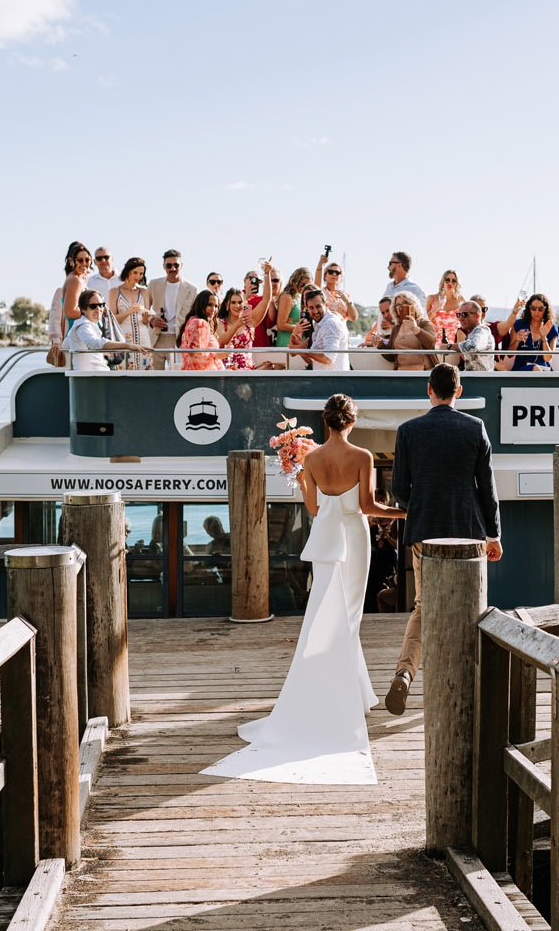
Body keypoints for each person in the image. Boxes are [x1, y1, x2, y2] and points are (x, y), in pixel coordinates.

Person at [201, 394, 405, 784]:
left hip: (327, 539)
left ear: (326, 422)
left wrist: (303, 480)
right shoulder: (362, 456)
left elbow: (313, 509)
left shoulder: (309, 460)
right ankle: (346, 700)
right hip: (354, 539)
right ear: (352, 420)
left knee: (327, 616)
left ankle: (354, 695)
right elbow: (366, 506)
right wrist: (403, 512)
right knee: (348, 616)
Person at [385, 365, 502, 715]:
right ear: (459, 392)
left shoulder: (408, 431)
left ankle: (405, 673)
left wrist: (421, 503)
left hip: (425, 531)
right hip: (469, 531)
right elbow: (488, 489)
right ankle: (470, 681)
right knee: (473, 606)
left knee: (424, 606)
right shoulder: (475, 427)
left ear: (429, 390)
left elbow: (399, 490)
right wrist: (494, 535)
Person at [62, 290, 148, 372]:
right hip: (92, 378)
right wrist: (127, 345)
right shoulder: (83, 325)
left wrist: (98, 353)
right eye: (93, 306)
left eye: (101, 305)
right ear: (83, 309)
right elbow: (93, 343)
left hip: (97, 375)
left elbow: (67, 344)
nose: (98, 309)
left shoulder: (88, 325)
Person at [147, 249, 199, 370]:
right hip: (157, 338)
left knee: (177, 375)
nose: (173, 268)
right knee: (154, 377)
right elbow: (144, 308)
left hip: (180, 339)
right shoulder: (153, 284)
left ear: (181, 266)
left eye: (176, 265)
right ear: (164, 266)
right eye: (169, 265)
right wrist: (152, 320)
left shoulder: (192, 289)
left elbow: (196, 315)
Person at [108, 256, 152, 371]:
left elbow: (145, 322)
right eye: (135, 272)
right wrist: (129, 311)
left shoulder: (144, 292)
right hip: (123, 337)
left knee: (145, 369)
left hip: (143, 336)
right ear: (128, 272)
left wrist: (146, 318)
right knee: (123, 369)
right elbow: (112, 319)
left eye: (141, 273)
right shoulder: (114, 292)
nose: (138, 276)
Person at [291, 289, 350, 371]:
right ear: (307, 308)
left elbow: (329, 359)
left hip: (332, 380)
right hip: (325, 378)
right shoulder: (320, 323)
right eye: (311, 308)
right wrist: (303, 351)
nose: (315, 311)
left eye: (318, 306)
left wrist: (305, 351)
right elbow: (316, 361)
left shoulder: (330, 324)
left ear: (326, 305)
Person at [380, 291, 438, 371]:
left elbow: (431, 343)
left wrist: (415, 329)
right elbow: (391, 356)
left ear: (413, 305)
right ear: (395, 309)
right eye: (398, 304)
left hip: (424, 372)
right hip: (401, 372)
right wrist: (379, 344)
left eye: (405, 302)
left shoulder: (424, 323)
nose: (401, 306)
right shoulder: (396, 328)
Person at [506, 293, 559, 371]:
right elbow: (509, 355)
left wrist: (544, 338)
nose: (537, 311)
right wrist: (517, 341)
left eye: (541, 309)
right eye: (533, 308)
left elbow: (547, 358)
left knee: (537, 369)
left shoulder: (552, 328)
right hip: (521, 368)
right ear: (529, 309)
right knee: (535, 368)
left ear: (546, 310)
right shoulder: (519, 325)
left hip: (543, 369)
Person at [273, 267, 312, 366]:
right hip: (287, 344)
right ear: (295, 281)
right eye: (303, 285)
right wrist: (301, 327)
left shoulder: (300, 297)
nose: (305, 288)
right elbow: (281, 325)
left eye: (308, 286)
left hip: (300, 346)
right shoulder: (287, 296)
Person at [177, 289, 224, 370]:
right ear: (201, 305)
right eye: (209, 305)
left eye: (216, 306)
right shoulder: (200, 323)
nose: (213, 309)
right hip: (202, 378)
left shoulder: (193, 321)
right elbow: (195, 356)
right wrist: (219, 355)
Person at [216, 287, 255, 370]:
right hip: (228, 371)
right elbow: (221, 341)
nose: (237, 305)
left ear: (244, 304)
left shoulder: (250, 322)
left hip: (248, 371)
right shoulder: (220, 323)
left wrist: (267, 275)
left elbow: (266, 301)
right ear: (227, 305)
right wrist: (237, 325)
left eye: (240, 302)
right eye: (233, 302)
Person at [453, 300, 495, 370]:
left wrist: (449, 346)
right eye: (458, 315)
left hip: (480, 378)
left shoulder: (482, 331)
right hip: (473, 377)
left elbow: (473, 346)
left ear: (477, 316)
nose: (460, 318)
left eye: (464, 314)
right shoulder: (472, 333)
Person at [313, 253, 354, 321]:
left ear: (341, 277)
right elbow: (316, 286)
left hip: (341, 329)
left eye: (337, 272)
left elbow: (353, 318)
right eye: (331, 272)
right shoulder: (321, 292)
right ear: (325, 276)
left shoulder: (345, 295)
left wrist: (347, 301)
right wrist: (320, 264)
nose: (334, 274)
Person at [427, 269, 464, 344]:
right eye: (447, 280)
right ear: (443, 281)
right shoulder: (432, 298)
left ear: (457, 284)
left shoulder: (460, 300)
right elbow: (424, 321)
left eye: (453, 281)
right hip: (435, 343)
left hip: (454, 345)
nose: (450, 283)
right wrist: (434, 310)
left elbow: (468, 319)